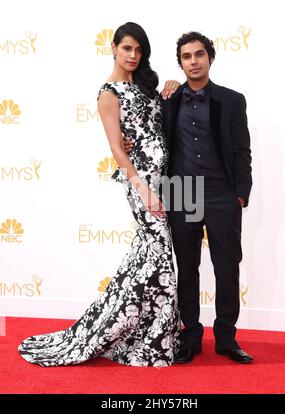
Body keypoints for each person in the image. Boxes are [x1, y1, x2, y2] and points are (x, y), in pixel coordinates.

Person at [18, 22, 180, 367]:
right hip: (143, 183)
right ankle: (152, 340)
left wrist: (172, 86)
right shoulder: (109, 93)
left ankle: (135, 329)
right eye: (127, 49)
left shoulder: (147, 85)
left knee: (147, 256)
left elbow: (157, 124)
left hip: (167, 178)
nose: (133, 55)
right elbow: (117, 151)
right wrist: (144, 191)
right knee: (162, 255)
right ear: (114, 48)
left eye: (138, 50)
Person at [125, 31, 253, 364]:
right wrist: (127, 144)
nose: (193, 61)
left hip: (222, 191)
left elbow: (242, 150)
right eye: (186, 56)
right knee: (188, 267)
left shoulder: (232, 100)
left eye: (199, 55)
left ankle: (226, 338)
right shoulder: (168, 99)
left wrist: (240, 193)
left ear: (210, 58)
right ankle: (190, 337)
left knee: (227, 267)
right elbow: (144, 131)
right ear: (180, 62)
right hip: (182, 191)